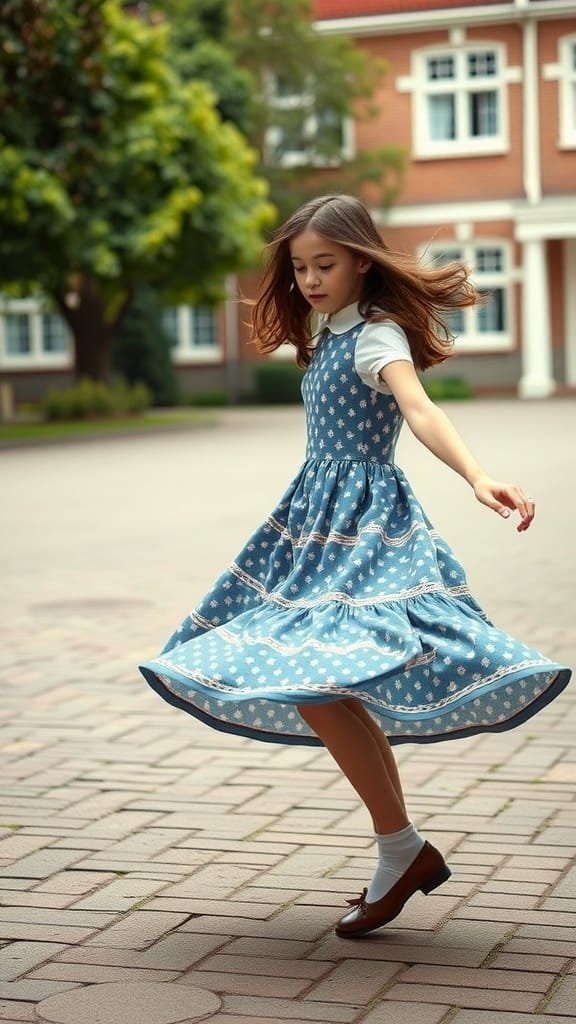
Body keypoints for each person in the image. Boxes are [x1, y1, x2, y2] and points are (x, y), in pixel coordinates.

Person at [140, 194, 571, 939]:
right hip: (313, 523)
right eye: (301, 267)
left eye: (325, 265)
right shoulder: (328, 327)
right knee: (322, 682)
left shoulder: (376, 336)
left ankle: (400, 848)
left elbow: (420, 408)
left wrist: (476, 475)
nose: (309, 279)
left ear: (362, 261)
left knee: (316, 676)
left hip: (365, 526)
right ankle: (401, 850)